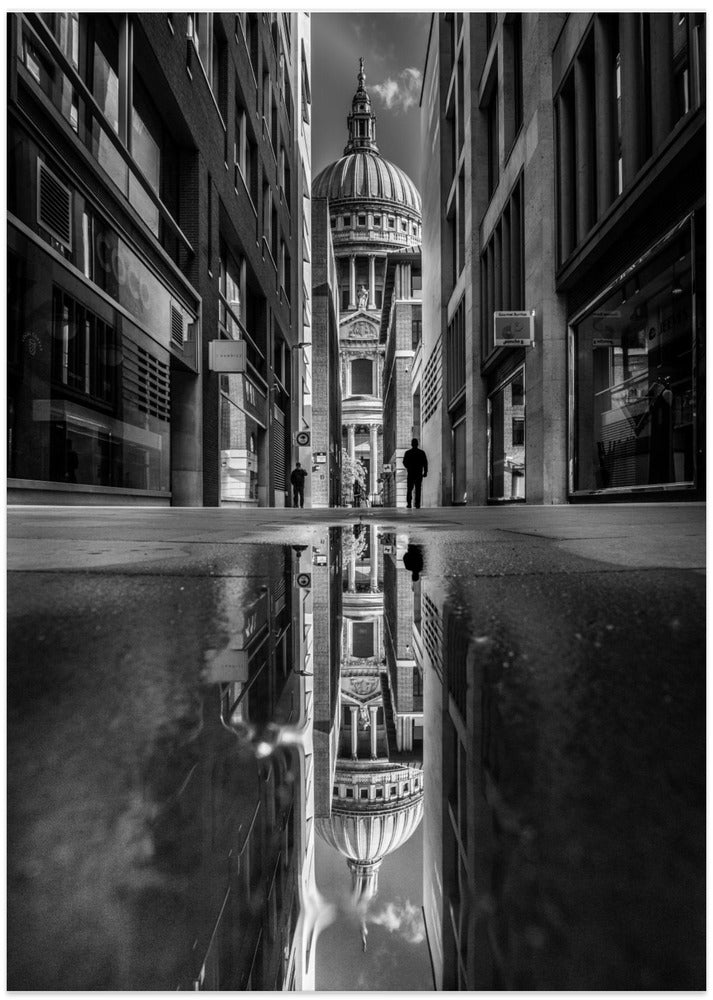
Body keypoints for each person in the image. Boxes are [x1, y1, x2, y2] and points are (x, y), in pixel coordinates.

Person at [402, 438, 428, 509]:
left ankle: (409, 504)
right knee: (418, 489)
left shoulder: (408, 453)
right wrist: (425, 472)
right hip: (418, 473)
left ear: (411, 444)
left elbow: (404, 462)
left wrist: (409, 467)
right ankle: (417, 504)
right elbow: (425, 463)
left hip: (411, 473)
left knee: (409, 489)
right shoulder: (421, 453)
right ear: (417, 444)